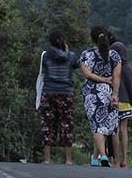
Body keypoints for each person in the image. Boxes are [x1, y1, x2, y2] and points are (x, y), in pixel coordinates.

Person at [79, 25, 121, 167]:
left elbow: (87, 74)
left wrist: (102, 80)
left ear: (92, 39)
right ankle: (95, 158)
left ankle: (103, 156)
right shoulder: (114, 55)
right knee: (106, 125)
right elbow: (117, 75)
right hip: (110, 92)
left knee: (97, 125)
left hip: (92, 93)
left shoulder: (86, 54)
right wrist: (114, 95)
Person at [38, 28, 80, 165]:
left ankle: (47, 159)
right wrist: (67, 51)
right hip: (66, 93)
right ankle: (68, 159)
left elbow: (44, 68)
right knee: (67, 124)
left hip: (49, 92)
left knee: (48, 124)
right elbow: (76, 65)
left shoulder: (46, 55)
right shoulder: (71, 56)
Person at [110, 38, 132, 168]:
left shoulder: (112, 68)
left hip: (115, 102)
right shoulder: (129, 68)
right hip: (126, 103)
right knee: (124, 130)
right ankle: (125, 160)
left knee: (115, 130)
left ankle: (116, 160)